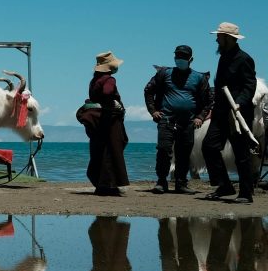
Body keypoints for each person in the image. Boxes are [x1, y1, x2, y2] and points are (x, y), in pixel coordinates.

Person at [200, 22, 257, 204]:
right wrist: (212, 109)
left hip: (238, 113)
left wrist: (239, 103)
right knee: (209, 146)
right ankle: (224, 185)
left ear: (228, 38)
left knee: (241, 153)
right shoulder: (223, 57)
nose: (216, 39)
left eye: (219, 36)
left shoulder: (244, 58)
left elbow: (250, 85)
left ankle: (246, 194)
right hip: (220, 112)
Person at [143, 45, 212, 194]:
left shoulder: (199, 78)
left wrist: (200, 117)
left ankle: (181, 183)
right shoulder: (164, 74)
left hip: (188, 122)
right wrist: (153, 110)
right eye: (177, 56)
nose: (179, 59)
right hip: (166, 119)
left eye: (183, 57)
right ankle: (161, 182)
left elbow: (208, 101)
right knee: (163, 150)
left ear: (190, 59)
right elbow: (148, 91)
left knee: (184, 153)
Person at [87, 51, 129, 196]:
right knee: (112, 150)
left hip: (98, 121)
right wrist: (112, 103)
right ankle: (108, 185)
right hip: (110, 120)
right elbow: (107, 92)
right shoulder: (109, 79)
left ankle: (101, 184)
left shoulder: (94, 80)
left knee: (99, 150)